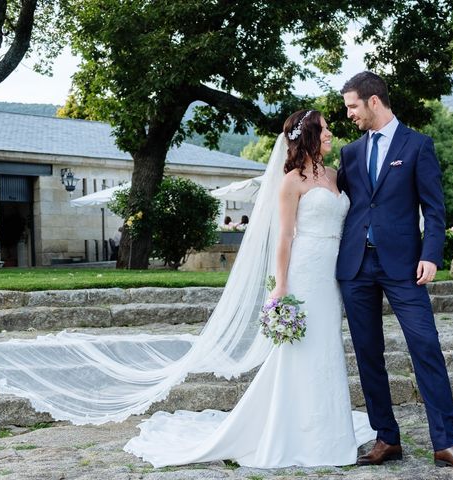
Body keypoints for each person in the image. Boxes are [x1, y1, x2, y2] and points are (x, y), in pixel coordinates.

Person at [123, 109, 374, 467]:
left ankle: (327, 430)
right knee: (300, 350)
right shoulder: (291, 181)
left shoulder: (336, 175)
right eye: (325, 129)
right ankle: (293, 432)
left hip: (332, 274)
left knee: (328, 346)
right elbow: (284, 237)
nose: (332, 133)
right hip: (304, 272)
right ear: (309, 135)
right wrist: (282, 287)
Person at [337, 71, 453, 471]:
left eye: (352, 106)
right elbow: (342, 203)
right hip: (356, 266)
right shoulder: (349, 153)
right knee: (368, 353)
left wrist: (432, 254)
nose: (348, 114)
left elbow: (434, 209)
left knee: (426, 346)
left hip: (405, 266)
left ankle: (446, 442)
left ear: (373, 101)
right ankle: (387, 438)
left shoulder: (418, 145)